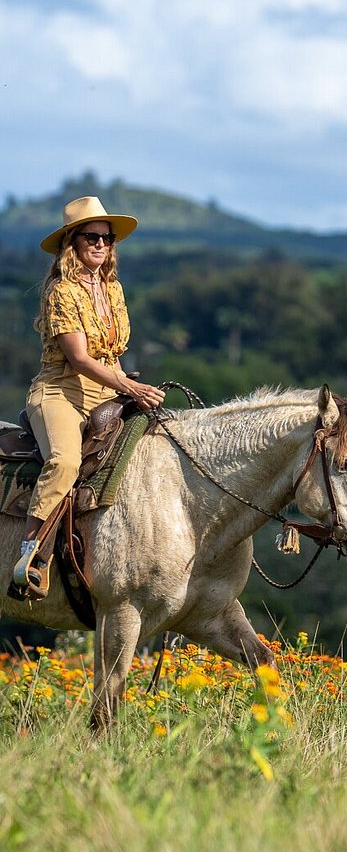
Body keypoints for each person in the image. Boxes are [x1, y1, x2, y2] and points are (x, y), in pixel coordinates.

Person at [13, 196, 165, 595]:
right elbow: (79, 358)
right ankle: (31, 555)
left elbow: (111, 355)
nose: (101, 244)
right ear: (72, 244)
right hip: (60, 390)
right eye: (91, 237)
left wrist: (124, 384)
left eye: (107, 238)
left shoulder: (113, 289)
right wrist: (130, 387)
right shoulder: (61, 292)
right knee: (64, 461)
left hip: (106, 386)